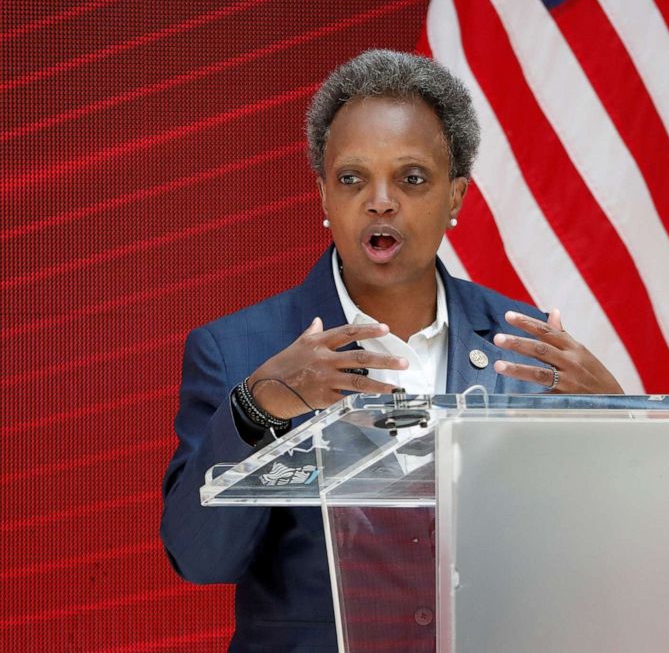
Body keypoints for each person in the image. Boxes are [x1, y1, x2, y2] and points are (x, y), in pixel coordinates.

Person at [161, 49, 622, 652]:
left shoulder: (527, 350)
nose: (381, 201)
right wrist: (257, 409)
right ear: (324, 195)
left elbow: (592, 558)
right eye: (352, 178)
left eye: (411, 178)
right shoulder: (236, 352)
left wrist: (623, 423)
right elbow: (200, 559)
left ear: (455, 197)